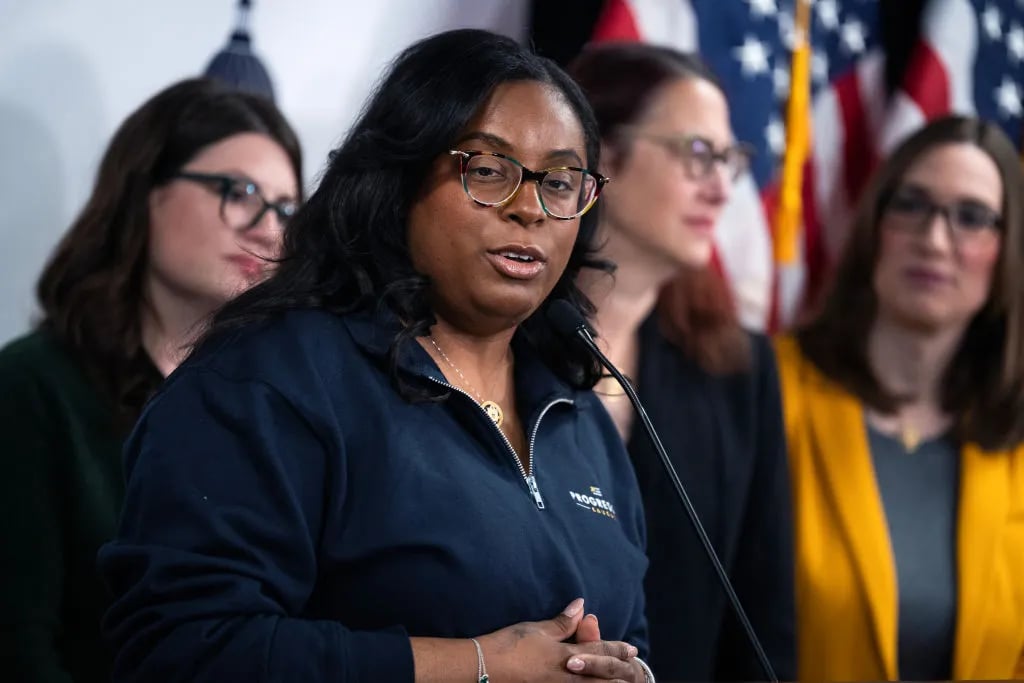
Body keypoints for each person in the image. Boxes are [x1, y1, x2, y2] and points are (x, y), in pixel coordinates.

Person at [97, 29, 655, 683]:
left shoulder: (577, 412)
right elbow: (183, 648)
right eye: (487, 170)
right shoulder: (269, 379)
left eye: (559, 182)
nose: (529, 208)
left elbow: (632, 636)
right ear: (400, 178)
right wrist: (475, 667)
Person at [0, 77, 303, 682]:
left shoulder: (281, 398)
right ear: (145, 192)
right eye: (239, 191)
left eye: (286, 209)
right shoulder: (32, 386)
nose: (267, 230)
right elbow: (16, 644)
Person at [568, 43, 795, 681]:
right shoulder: (499, 338)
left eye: (729, 160)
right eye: (697, 154)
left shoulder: (739, 369)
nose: (721, 188)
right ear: (603, 156)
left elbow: (764, 614)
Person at [775, 114, 1024, 681]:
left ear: (1007, 249)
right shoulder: (770, 390)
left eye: (972, 217)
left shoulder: (1014, 434)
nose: (934, 240)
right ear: (875, 225)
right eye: (912, 205)